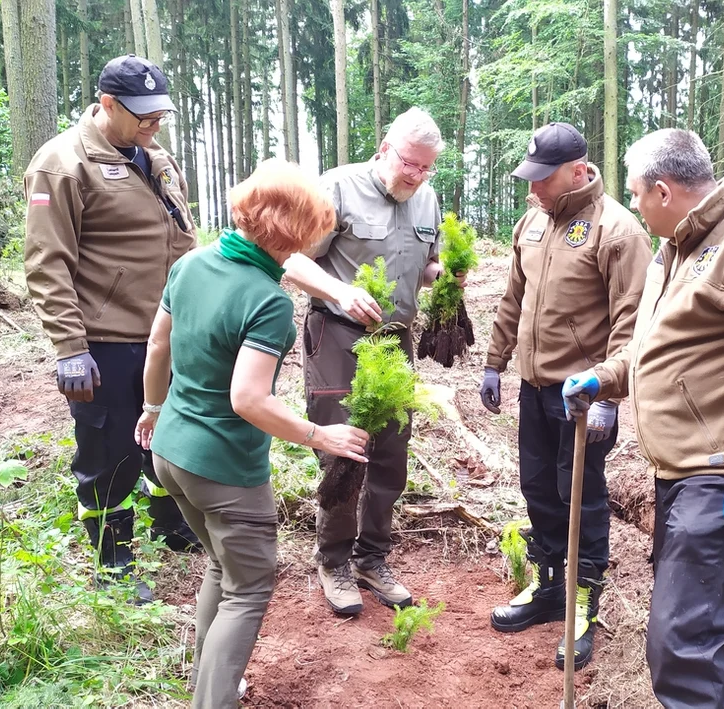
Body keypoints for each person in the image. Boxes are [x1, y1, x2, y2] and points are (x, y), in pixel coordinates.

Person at [561, 129, 724, 708]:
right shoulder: (674, 250)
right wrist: (605, 378)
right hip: (679, 472)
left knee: (682, 643)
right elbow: (662, 347)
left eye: (634, 193)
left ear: (662, 190)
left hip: (722, 473)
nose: (631, 204)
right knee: (705, 629)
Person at [136, 159, 377, 708]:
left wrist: (153, 408)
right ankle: (211, 701)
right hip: (225, 469)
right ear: (293, 233)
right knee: (248, 590)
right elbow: (247, 399)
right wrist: (322, 435)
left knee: (222, 567)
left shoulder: (193, 264)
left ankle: (208, 681)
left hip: (172, 450)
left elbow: (157, 348)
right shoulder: (268, 303)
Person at [23, 54, 200, 603]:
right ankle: (112, 561)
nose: (154, 124)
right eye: (143, 115)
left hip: (166, 330)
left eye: (160, 113)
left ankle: (171, 525)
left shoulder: (156, 156)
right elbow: (47, 262)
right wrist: (70, 348)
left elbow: (181, 235)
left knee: (167, 436)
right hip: (107, 338)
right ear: (106, 105)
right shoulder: (61, 164)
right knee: (110, 450)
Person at [479, 122, 651, 670]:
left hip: (583, 394)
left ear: (578, 172)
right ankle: (550, 586)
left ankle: (583, 604)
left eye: (543, 179)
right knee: (538, 488)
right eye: (528, 179)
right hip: (533, 386)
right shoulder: (531, 223)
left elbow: (631, 321)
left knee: (579, 495)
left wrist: (610, 393)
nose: (533, 190)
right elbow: (513, 298)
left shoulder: (618, 231)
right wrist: (493, 362)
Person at [295, 107, 458, 615]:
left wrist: (441, 274)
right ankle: (334, 561)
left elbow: (423, 265)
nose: (418, 175)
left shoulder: (426, 200)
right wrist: (340, 293)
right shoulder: (336, 189)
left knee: (391, 453)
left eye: (427, 168)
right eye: (410, 163)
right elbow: (294, 259)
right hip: (338, 336)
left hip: (395, 340)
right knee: (346, 449)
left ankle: (372, 558)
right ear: (385, 147)